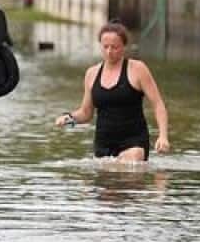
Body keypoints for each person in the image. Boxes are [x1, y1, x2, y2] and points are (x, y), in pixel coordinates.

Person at [53, 21, 169, 162]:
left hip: (133, 141)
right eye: (105, 47)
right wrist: (69, 118)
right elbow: (86, 113)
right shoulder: (92, 73)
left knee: (130, 167)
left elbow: (158, 105)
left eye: (114, 47)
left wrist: (163, 136)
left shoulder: (138, 69)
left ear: (124, 47)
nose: (109, 51)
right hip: (103, 144)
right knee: (107, 179)